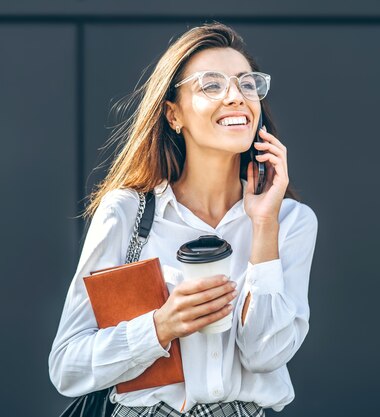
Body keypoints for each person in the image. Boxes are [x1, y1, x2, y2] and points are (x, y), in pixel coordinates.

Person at [49, 22, 318, 417]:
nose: (236, 97)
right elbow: (66, 366)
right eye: (211, 85)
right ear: (174, 115)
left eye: (247, 84)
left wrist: (264, 226)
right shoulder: (126, 212)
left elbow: (266, 354)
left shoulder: (291, 221)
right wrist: (160, 327)